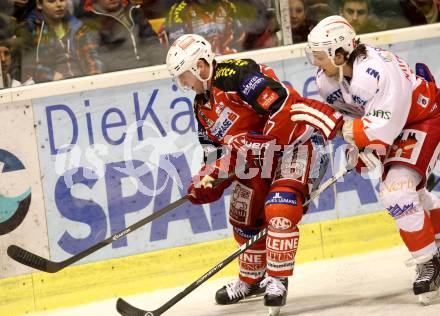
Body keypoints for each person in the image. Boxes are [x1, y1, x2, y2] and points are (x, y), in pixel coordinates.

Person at [166, 34, 339, 314]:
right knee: (243, 212)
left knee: (280, 208)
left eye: (184, 76)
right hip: (256, 159)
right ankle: (251, 280)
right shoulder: (201, 106)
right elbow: (215, 156)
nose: (183, 84)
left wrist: (255, 145)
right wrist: (207, 181)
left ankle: (277, 280)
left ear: (199, 65)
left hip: (296, 147)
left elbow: (283, 105)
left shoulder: (238, 75)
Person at [290, 15, 440, 304]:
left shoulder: (374, 70)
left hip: (424, 118)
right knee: (411, 193)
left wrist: (361, 142)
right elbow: (355, 117)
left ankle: (429, 264)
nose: (314, 63)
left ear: (340, 53)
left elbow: (385, 126)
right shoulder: (327, 79)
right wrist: (357, 148)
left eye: (319, 56)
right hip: (399, 124)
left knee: (396, 192)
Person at [22, 0, 103, 83]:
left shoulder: (78, 27)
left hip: (82, 82)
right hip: (49, 86)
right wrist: (50, 75)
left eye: (62, 0)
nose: (59, 4)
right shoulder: (31, 29)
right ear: (39, 4)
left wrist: (94, 79)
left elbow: (92, 57)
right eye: (51, 1)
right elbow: (26, 65)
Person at [81, 0, 166, 73]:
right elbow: (96, 60)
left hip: (149, 71)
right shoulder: (92, 23)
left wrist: (159, 68)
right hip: (119, 78)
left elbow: (152, 42)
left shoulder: (134, 11)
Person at [164, 0, 245, 54]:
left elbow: (240, 38)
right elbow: (178, 49)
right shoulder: (179, 11)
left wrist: (232, 51)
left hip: (227, 62)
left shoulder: (227, 5)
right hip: (197, 67)